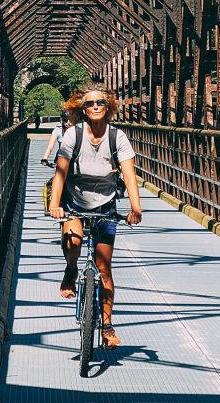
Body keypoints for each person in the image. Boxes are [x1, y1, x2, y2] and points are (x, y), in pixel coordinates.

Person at [48, 82, 143, 349]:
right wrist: (54, 204)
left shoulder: (117, 137)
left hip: (105, 205)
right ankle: (71, 270)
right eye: (89, 103)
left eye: (100, 102)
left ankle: (107, 326)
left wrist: (135, 208)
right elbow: (60, 172)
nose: (95, 106)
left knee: (104, 268)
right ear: (83, 109)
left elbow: (129, 175)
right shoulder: (73, 135)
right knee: (74, 242)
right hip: (74, 202)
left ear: (108, 106)